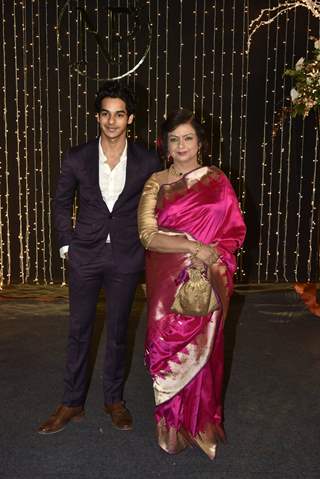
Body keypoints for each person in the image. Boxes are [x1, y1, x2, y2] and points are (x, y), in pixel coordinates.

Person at [38, 81, 160, 434]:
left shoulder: (147, 159)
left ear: (130, 119)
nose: (112, 121)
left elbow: (158, 206)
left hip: (126, 256)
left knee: (119, 331)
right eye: (106, 114)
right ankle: (72, 402)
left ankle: (113, 400)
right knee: (79, 330)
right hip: (85, 255)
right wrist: (67, 245)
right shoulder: (77, 156)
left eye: (119, 114)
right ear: (97, 117)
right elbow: (61, 202)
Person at [138, 109, 246, 459]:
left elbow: (233, 231)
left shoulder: (217, 180)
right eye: (174, 139)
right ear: (165, 144)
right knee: (167, 349)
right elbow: (147, 235)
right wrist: (191, 247)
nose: (181, 145)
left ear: (200, 143)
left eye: (188, 138)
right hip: (167, 282)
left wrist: (211, 255)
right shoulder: (156, 182)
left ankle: (199, 423)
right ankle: (172, 429)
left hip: (209, 279)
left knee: (206, 351)